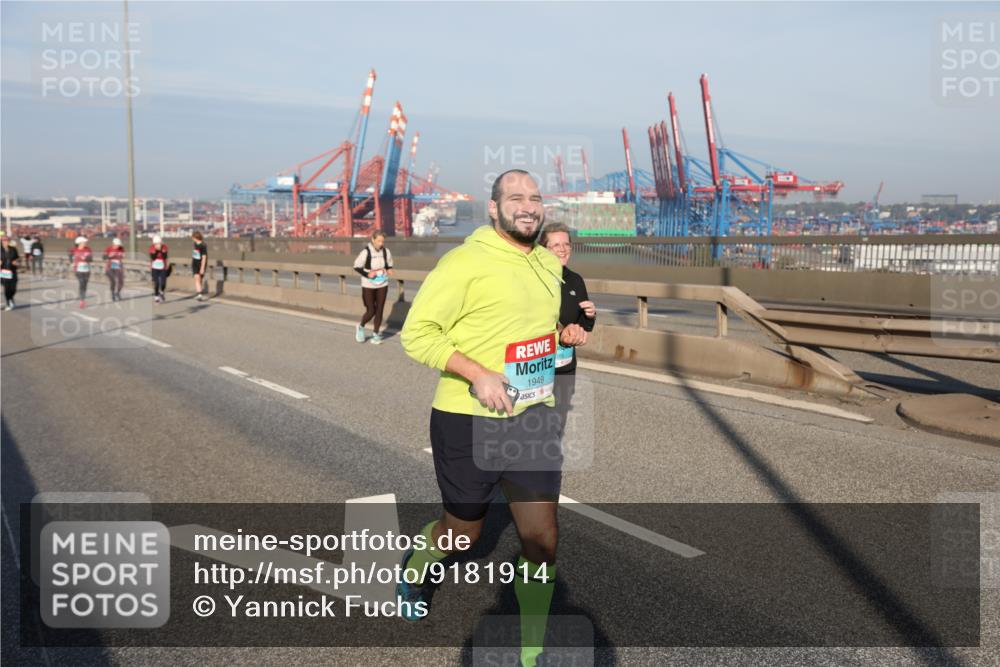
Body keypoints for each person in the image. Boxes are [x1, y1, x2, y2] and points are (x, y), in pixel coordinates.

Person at [399, 170, 588, 667]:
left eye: (535, 198)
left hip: (532, 417)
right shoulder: (464, 262)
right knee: (464, 535)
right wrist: (477, 372)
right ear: (493, 208)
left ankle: (530, 649)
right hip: (467, 418)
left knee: (542, 538)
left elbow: (531, 327)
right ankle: (420, 561)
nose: (527, 205)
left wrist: (563, 333)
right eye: (515, 197)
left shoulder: (549, 262)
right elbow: (417, 334)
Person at [539, 223, 597, 439]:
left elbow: (583, 328)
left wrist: (589, 317)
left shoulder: (575, 280)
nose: (563, 249)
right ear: (543, 249)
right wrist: (560, 332)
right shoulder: (535, 278)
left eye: (566, 244)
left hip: (564, 366)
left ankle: (550, 470)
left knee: (557, 424)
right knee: (532, 424)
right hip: (537, 365)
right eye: (555, 245)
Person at [352, 230, 394, 344]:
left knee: (380, 310)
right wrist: (367, 274)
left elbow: (389, 265)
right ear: (373, 239)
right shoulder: (366, 252)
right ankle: (361, 327)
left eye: (382, 241)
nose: (381, 243)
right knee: (371, 310)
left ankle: (376, 334)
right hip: (368, 285)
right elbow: (356, 266)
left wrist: (390, 270)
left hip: (382, 283)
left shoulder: (386, 252)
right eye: (379, 241)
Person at [70, 236, 93, 309]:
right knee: (81, 282)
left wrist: (87, 259)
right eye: (84, 242)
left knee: (85, 285)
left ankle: (82, 298)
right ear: (79, 243)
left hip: (87, 270)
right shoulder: (74, 250)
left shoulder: (88, 249)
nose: (85, 243)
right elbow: (70, 257)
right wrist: (72, 261)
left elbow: (91, 259)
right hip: (78, 270)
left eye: (85, 242)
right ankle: (82, 300)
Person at [1, 232, 20, 310]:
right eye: (4, 240)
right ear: (1, 241)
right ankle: (8, 303)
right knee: (7, 288)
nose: (5, 241)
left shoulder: (13, 249)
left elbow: (18, 258)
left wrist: (16, 261)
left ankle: (11, 298)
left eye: (7, 240)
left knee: (13, 288)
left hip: (13, 271)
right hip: (3, 271)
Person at [104, 237, 126, 302]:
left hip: (118, 267)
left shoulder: (121, 249)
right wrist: (109, 256)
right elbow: (103, 257)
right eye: (117, 245)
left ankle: (118, 293)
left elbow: (123, 256)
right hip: (110, 267)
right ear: (113, 244)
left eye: (119, 245)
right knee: (113, 281)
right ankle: (113, 293)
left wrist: (123, 255)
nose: (118, 246)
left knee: (121, 282)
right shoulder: (109, 249)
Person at [150, 235, 169, 303]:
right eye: (156, 244)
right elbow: (153, 257)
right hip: (155, 268)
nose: (158, 245)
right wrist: (156, 250)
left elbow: (164, 257)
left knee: (163, 283)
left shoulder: (164, 247)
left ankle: (162, 291)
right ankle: (156, 296)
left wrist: (160, 250)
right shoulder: (152, 248)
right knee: (157, 283)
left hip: (163, 267)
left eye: (159, 243)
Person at [191, 231, 209, 301]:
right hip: (194, 263)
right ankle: (199, 294)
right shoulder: (195, 244)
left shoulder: (203, 245)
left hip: (201, 264)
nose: (192, 239)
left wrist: (202, 267)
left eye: (193, 237)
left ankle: (199, 292)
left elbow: (204, 257)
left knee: (200, 279)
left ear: (196, 237)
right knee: (197, 278)